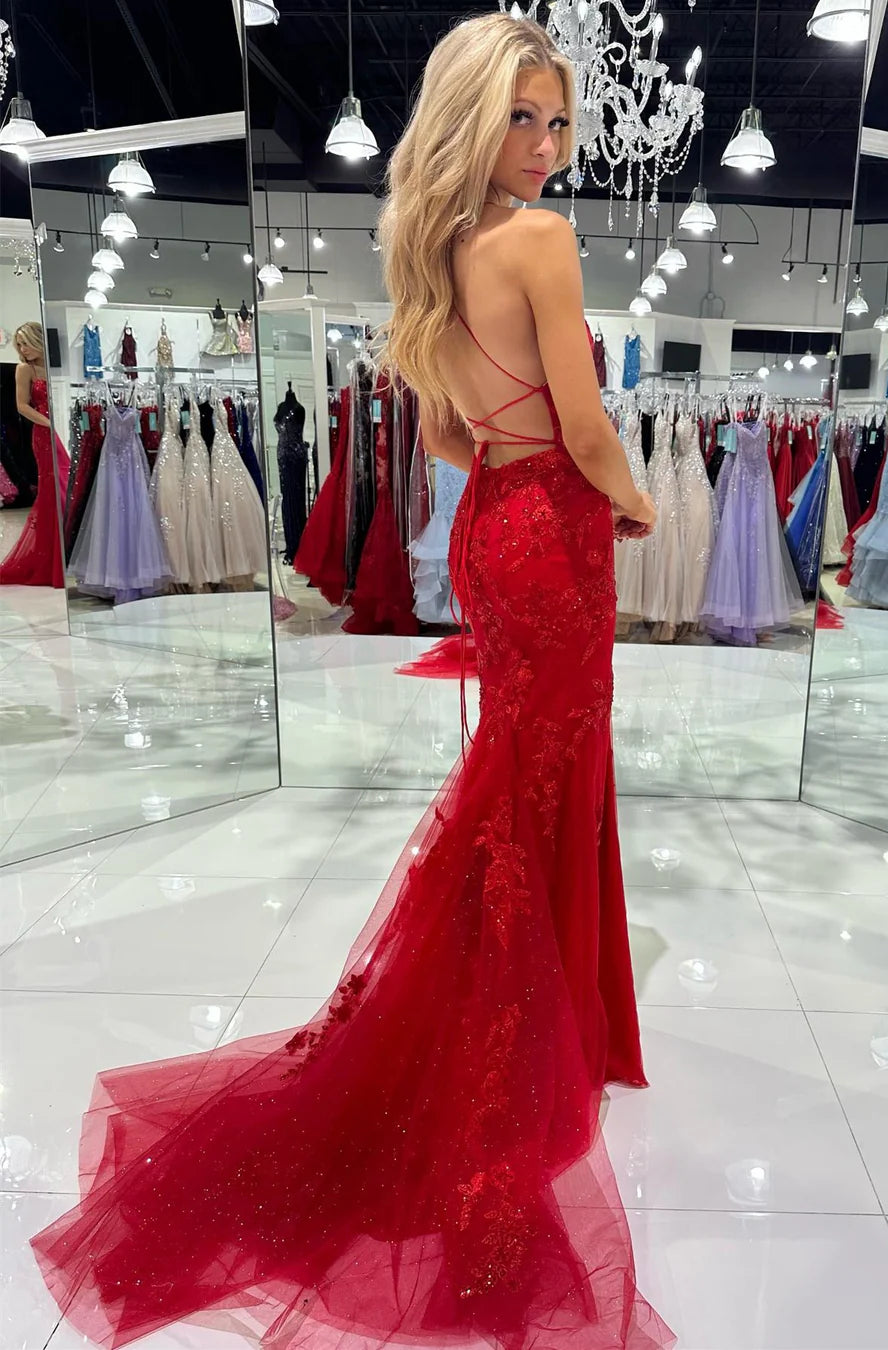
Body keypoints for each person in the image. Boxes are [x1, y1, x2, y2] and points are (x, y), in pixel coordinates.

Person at [29, 14, 671, 1350]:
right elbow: (587, 419)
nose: (547, 145)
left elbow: (450, 435)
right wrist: (631, 500)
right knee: (536, 780)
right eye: (523, 117)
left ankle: (554, 1019)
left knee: (519, 771)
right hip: (553, 535)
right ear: (473, 118)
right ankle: (526, 1038)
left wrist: (536, 479)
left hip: (494, 526)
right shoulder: (541, 242)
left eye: (559, 121)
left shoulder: (432, 253)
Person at [0, 322, 70, 587]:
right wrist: (49, 423)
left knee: (64, 487)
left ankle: (63, 554)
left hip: (61, 428)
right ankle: (49, 558)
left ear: (38, 341)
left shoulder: (53, 367)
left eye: (26, 343)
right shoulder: (24, 369)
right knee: (54, 490)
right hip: (44, 434)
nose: (22, 349)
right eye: (19, 344)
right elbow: (21, 406)